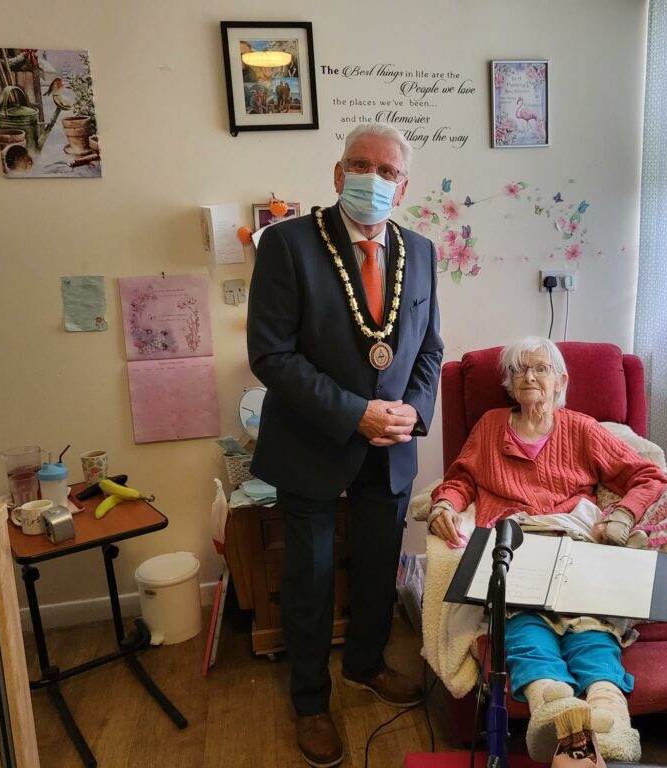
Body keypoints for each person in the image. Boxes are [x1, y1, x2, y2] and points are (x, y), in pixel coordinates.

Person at [247, 123, 443, 768]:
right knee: (308, 580)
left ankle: (365, 665)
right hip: (311, 443)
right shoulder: (287, 244)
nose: (373, 180)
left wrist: (413, 412)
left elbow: (429, 350)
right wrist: (355, 413)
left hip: (390, 450)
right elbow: (271, 355)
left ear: (403, 187)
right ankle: (310, 701)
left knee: (378, 569)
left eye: (388, 172)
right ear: (338, 174)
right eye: (361, 165)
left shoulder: (421, 250)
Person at [428, 336, 667, 764]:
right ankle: (550, 704)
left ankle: (608, 714)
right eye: (519, 369)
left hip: (574, 544)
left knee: (591, 628)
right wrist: (445, 504)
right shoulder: (489, 426)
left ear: (561, 381)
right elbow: (461, 479)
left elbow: (648, 476)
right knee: (523, 625)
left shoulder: (581, 428)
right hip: (515, 543)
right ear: (508, 383)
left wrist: (622, 515)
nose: (529, 376)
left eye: (540, 368)